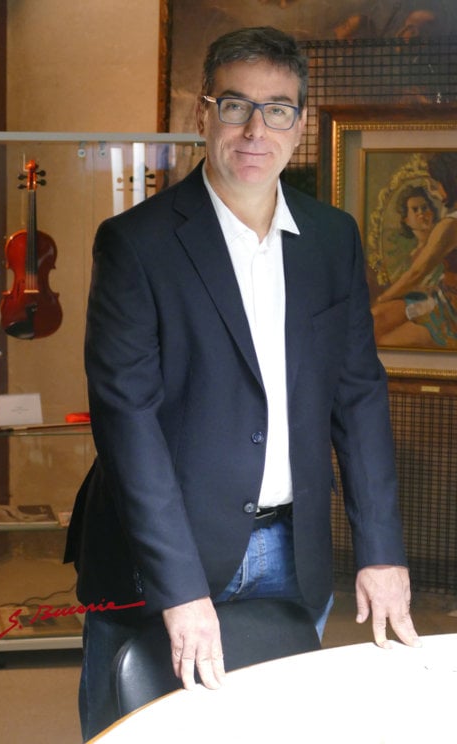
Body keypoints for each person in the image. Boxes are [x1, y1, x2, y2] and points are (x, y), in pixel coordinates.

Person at [64, 26, 419, 741]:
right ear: (203, 113)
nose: (256, 131)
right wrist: (180, 586)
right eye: (236, 106)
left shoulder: (332, 238)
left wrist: (381, 548)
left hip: (295, 550)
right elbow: (127, 423)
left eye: (278, 109)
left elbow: (358, 395)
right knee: (138, 729)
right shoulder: (135, 243)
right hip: (166, 551)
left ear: (301, 124)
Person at [374, 153, 457, 348]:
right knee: (375, 318)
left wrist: (382, 298)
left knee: (384, 341)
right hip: (441, 299)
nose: (433, 190)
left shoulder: (450, 225)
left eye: (436, 184)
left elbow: (416, 273)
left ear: (448, 183)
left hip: (450, 311)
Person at [372, 184, 438, 345]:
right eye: (415, 210)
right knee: (374, 318)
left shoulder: (441, 245)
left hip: (437, 305)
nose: (422, 213)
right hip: (415, 303)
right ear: (406, 220)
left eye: (425, 207)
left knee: (386, 339)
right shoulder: (410, 256)